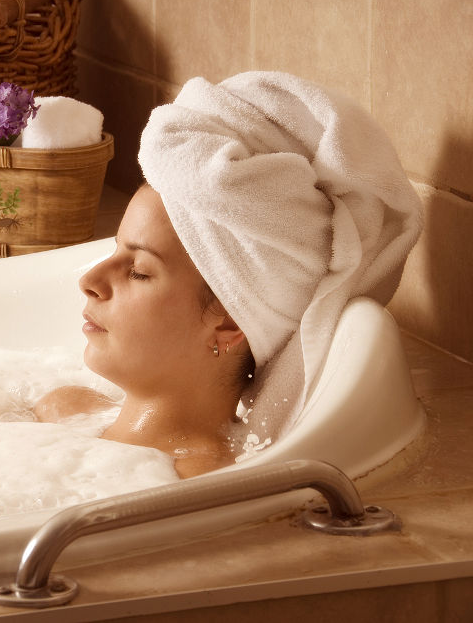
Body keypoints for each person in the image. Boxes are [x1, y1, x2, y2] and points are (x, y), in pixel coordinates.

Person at [34, 71, 423, 478]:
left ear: (229, 322)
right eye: (116, 250)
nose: (89, 281)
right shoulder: (64, 407)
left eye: (138, 271)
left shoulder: (192, 481)